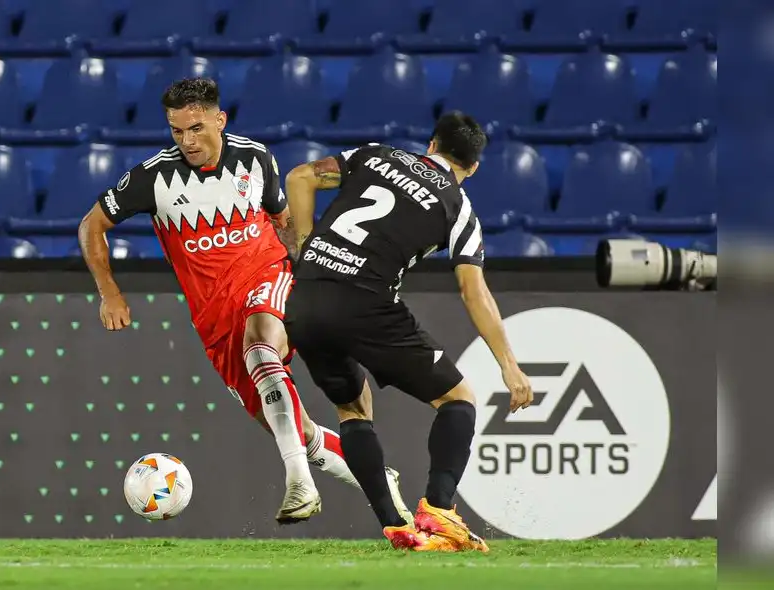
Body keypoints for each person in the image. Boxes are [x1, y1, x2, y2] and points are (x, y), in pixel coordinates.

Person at [78, 77, 412, 526]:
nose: (187, 141)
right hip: (215, 321)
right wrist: (109, 294)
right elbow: (90, 226)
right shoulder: (152, 178)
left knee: (261, 342)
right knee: (292, 427)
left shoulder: (255, 158)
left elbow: (283, 220)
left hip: (267, 279)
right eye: (177, 131)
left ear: (220, 119)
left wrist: (313, 273)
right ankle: (377, 478)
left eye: (196, 128)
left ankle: (298, 481)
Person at [282, 111, 534, 552]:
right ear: (472, 167)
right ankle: (438, 510)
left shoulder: (373, 155)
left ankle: (394, 523)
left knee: (354, 410)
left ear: (431, 144)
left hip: (304, 300)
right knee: (457, 400)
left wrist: (304, 247)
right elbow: (473, 291)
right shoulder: (458, 207)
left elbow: (300, 176)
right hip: (366, 303)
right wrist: (509, 366)